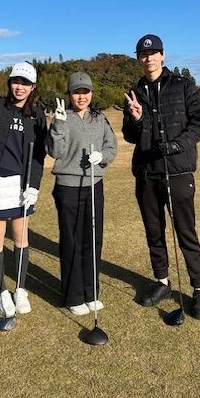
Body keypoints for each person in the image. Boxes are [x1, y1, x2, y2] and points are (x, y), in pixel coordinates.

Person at [122, 34, 200, 320]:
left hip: (178, 170)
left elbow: (199, 122)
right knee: (154, 231)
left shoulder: (183, 85)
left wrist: (177, 145)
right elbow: (129, 135)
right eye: (143, 54)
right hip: (146, 172)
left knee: (186, 232)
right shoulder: (134, 92)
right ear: (139, 58)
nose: (148, 58)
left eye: (153, 53)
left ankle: (199, 290)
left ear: (162, 55)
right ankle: (162, 282)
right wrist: (137, 118)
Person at [0, 61, 47, 318]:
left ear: (33, 87)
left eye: (25, 83)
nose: (20, 87)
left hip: (20, 185)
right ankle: (2, 291)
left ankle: (20, 289)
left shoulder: (37, 115)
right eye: (16, 81)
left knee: (21, 239)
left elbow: (39, 156)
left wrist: (34, 186)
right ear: (9, 83)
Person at [46, 72, 117, 315]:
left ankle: (91, 292)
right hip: (68, 186)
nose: (81, 96)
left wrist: (103, 157)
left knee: (93, 239)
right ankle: (73, 296)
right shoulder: (62, 117)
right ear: (69, 94)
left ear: (91, 94)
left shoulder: (100, 118)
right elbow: (55, 152)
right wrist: (58, 125)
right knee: (72, 240)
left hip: (94, 183)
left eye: (85, 92)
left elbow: (111, 145)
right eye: (76, 92)